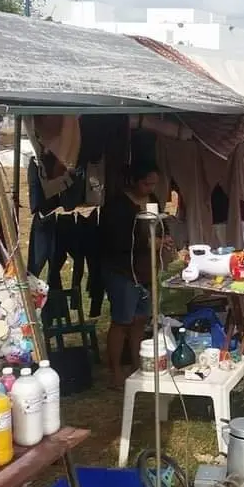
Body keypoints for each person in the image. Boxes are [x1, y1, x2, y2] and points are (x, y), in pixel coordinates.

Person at [98, 162, 172, 388]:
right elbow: (117, 241)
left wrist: (164, 238)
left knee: (140, 320)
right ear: (134, 180)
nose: (150, 187)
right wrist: (150, 242)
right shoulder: (118, 206)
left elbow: (160, 226)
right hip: (122, 271)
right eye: (146, 183)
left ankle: (138, 365)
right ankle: (116, 371)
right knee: (121, 321)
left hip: (145, 271)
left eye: (154, 184)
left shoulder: (152, 201)